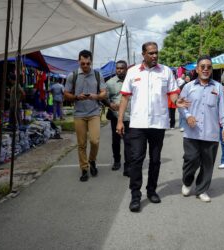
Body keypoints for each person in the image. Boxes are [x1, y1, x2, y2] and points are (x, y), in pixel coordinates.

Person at [116, 42, 189, 212]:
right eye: (151, 53)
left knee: (155, 160)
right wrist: (120, 120)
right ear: (143, 54)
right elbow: (125, 98)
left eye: (156, 53)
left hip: (158, 123)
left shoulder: (165, 72)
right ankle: (135, 195)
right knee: (136, 159)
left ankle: (151, 191)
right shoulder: (133, 72)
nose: (155, 56)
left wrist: (176, 101)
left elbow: (172, 93)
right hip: (137, 124)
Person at [179, 55, 224, 203]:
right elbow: (181, 106)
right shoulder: (188, 87)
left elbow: (223, 110)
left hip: (211, 133)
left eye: (209, 67)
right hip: (191, 132)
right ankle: (187, 181)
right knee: (191, 159)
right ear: (197, 69)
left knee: (208, 164)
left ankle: (201, 190)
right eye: (203, 67)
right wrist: (187, 116)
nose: (206, 69)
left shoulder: (218, 87)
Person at [64, 50, 107, 182]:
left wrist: (96, 96)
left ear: (91, 62)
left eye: (88, 63)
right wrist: (77, 97)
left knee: (95, 141)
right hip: (79, 114)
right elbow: (66, 94)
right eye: (83, 63)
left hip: (94, 112)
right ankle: (84, 168)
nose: (85, 66)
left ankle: (92, 160)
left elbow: (104, 93)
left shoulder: (98, 75)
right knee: (81, 144)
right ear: (78, 61)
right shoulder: (73, 75)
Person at [105, 60, 131, 176]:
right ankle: (116, 160)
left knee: (128, 142)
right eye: (118, 68)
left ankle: (128, 166)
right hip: (116, 117)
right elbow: (104, 98)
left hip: (130, 117)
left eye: (122, 68)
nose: (119, 70)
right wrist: (110, 104)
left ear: (126, 69)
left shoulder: (132, 81)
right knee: (116, 141)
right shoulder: (110, 83)